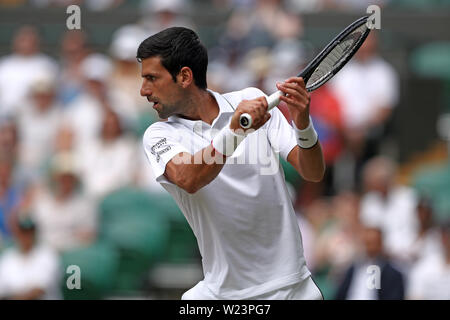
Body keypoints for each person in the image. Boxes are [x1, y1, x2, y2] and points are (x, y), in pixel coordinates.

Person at [139, 27, 326, 300]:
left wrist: (303, 123)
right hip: (221, 295)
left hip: (293, 290)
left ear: (184, 76)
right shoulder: (159, 135)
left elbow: (313, 172)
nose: (144, 90)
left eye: (152, 78)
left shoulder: (250, 100)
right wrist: (235, 130)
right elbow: (189, 178)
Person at [334, 225, 405, 300]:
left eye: (373, 243)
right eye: (367, 243)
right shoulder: (353, 268)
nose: (370, 247)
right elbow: (341, 294)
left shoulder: (392, 274)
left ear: (381, 244)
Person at [0, 216, 61, 300]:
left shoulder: (47, 254)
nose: (26, 236)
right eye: (23, 232)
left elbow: (39, 290)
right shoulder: (7, 258)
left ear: (35, 233)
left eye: (29, 232)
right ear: (17, 233)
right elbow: (2, 291)